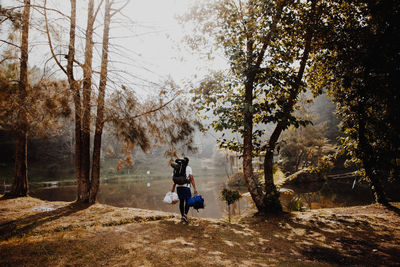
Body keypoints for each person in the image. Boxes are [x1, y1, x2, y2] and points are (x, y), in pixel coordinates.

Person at [171, 157, 197, 223]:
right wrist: (194, 188)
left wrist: (173, 188)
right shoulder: (188, 168)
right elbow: (191, 178)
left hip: (179, 187)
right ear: (187, 162)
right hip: (186, 187)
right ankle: (185, 215)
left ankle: (182, 216)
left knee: (181, 202)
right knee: (188, 201)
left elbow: (174, 179)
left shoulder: (177, 168)